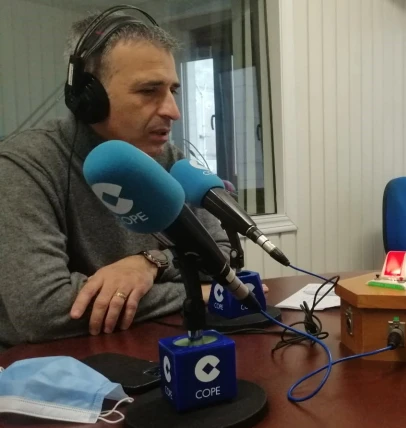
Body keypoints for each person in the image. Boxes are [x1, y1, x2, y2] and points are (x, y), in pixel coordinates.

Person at [0, 9, 238, 348]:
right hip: (53, 369)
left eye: (172, 90)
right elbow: (43, 310)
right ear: (88, 98)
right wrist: (196, 292)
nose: (173, 111)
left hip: (147, 350)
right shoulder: (23, 166)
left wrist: (150, 264)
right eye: (149, 91)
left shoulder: (169, 159)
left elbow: (223, 257)